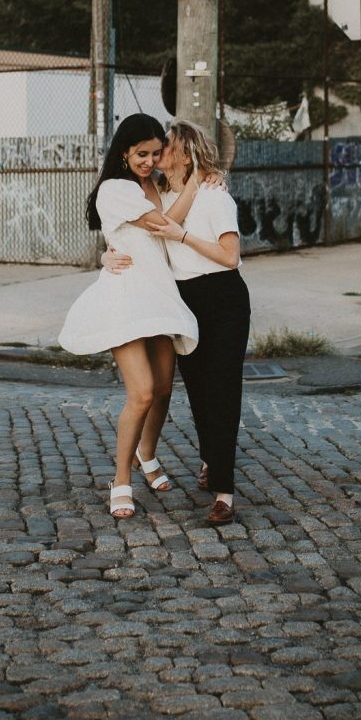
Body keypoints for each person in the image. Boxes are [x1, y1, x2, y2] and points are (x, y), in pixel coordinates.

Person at [105, 120, 250, 525]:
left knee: (222, 393)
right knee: (200, 393)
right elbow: (140, 238)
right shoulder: (162, 194)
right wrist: (107, 255)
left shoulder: (214, 197)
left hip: (222, 297)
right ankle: (210, 462)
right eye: (149, 151)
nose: (156, 154)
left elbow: (230, 256)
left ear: (185, 153)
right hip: (184, 301)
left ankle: (224, 492)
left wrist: (184, 232)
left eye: (164, 147)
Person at [58, 114, 200, 520]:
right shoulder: (114, 188)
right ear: (124, 151)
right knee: (141, 392)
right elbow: (165, 226)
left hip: (159, 293)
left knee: (164, 390)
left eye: (157, 153)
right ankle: (121, 478)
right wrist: (199, 178)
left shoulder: (151, 183)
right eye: (142, 153)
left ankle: (147, 454)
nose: (150, 160)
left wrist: (189, 177)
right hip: (126, 295)